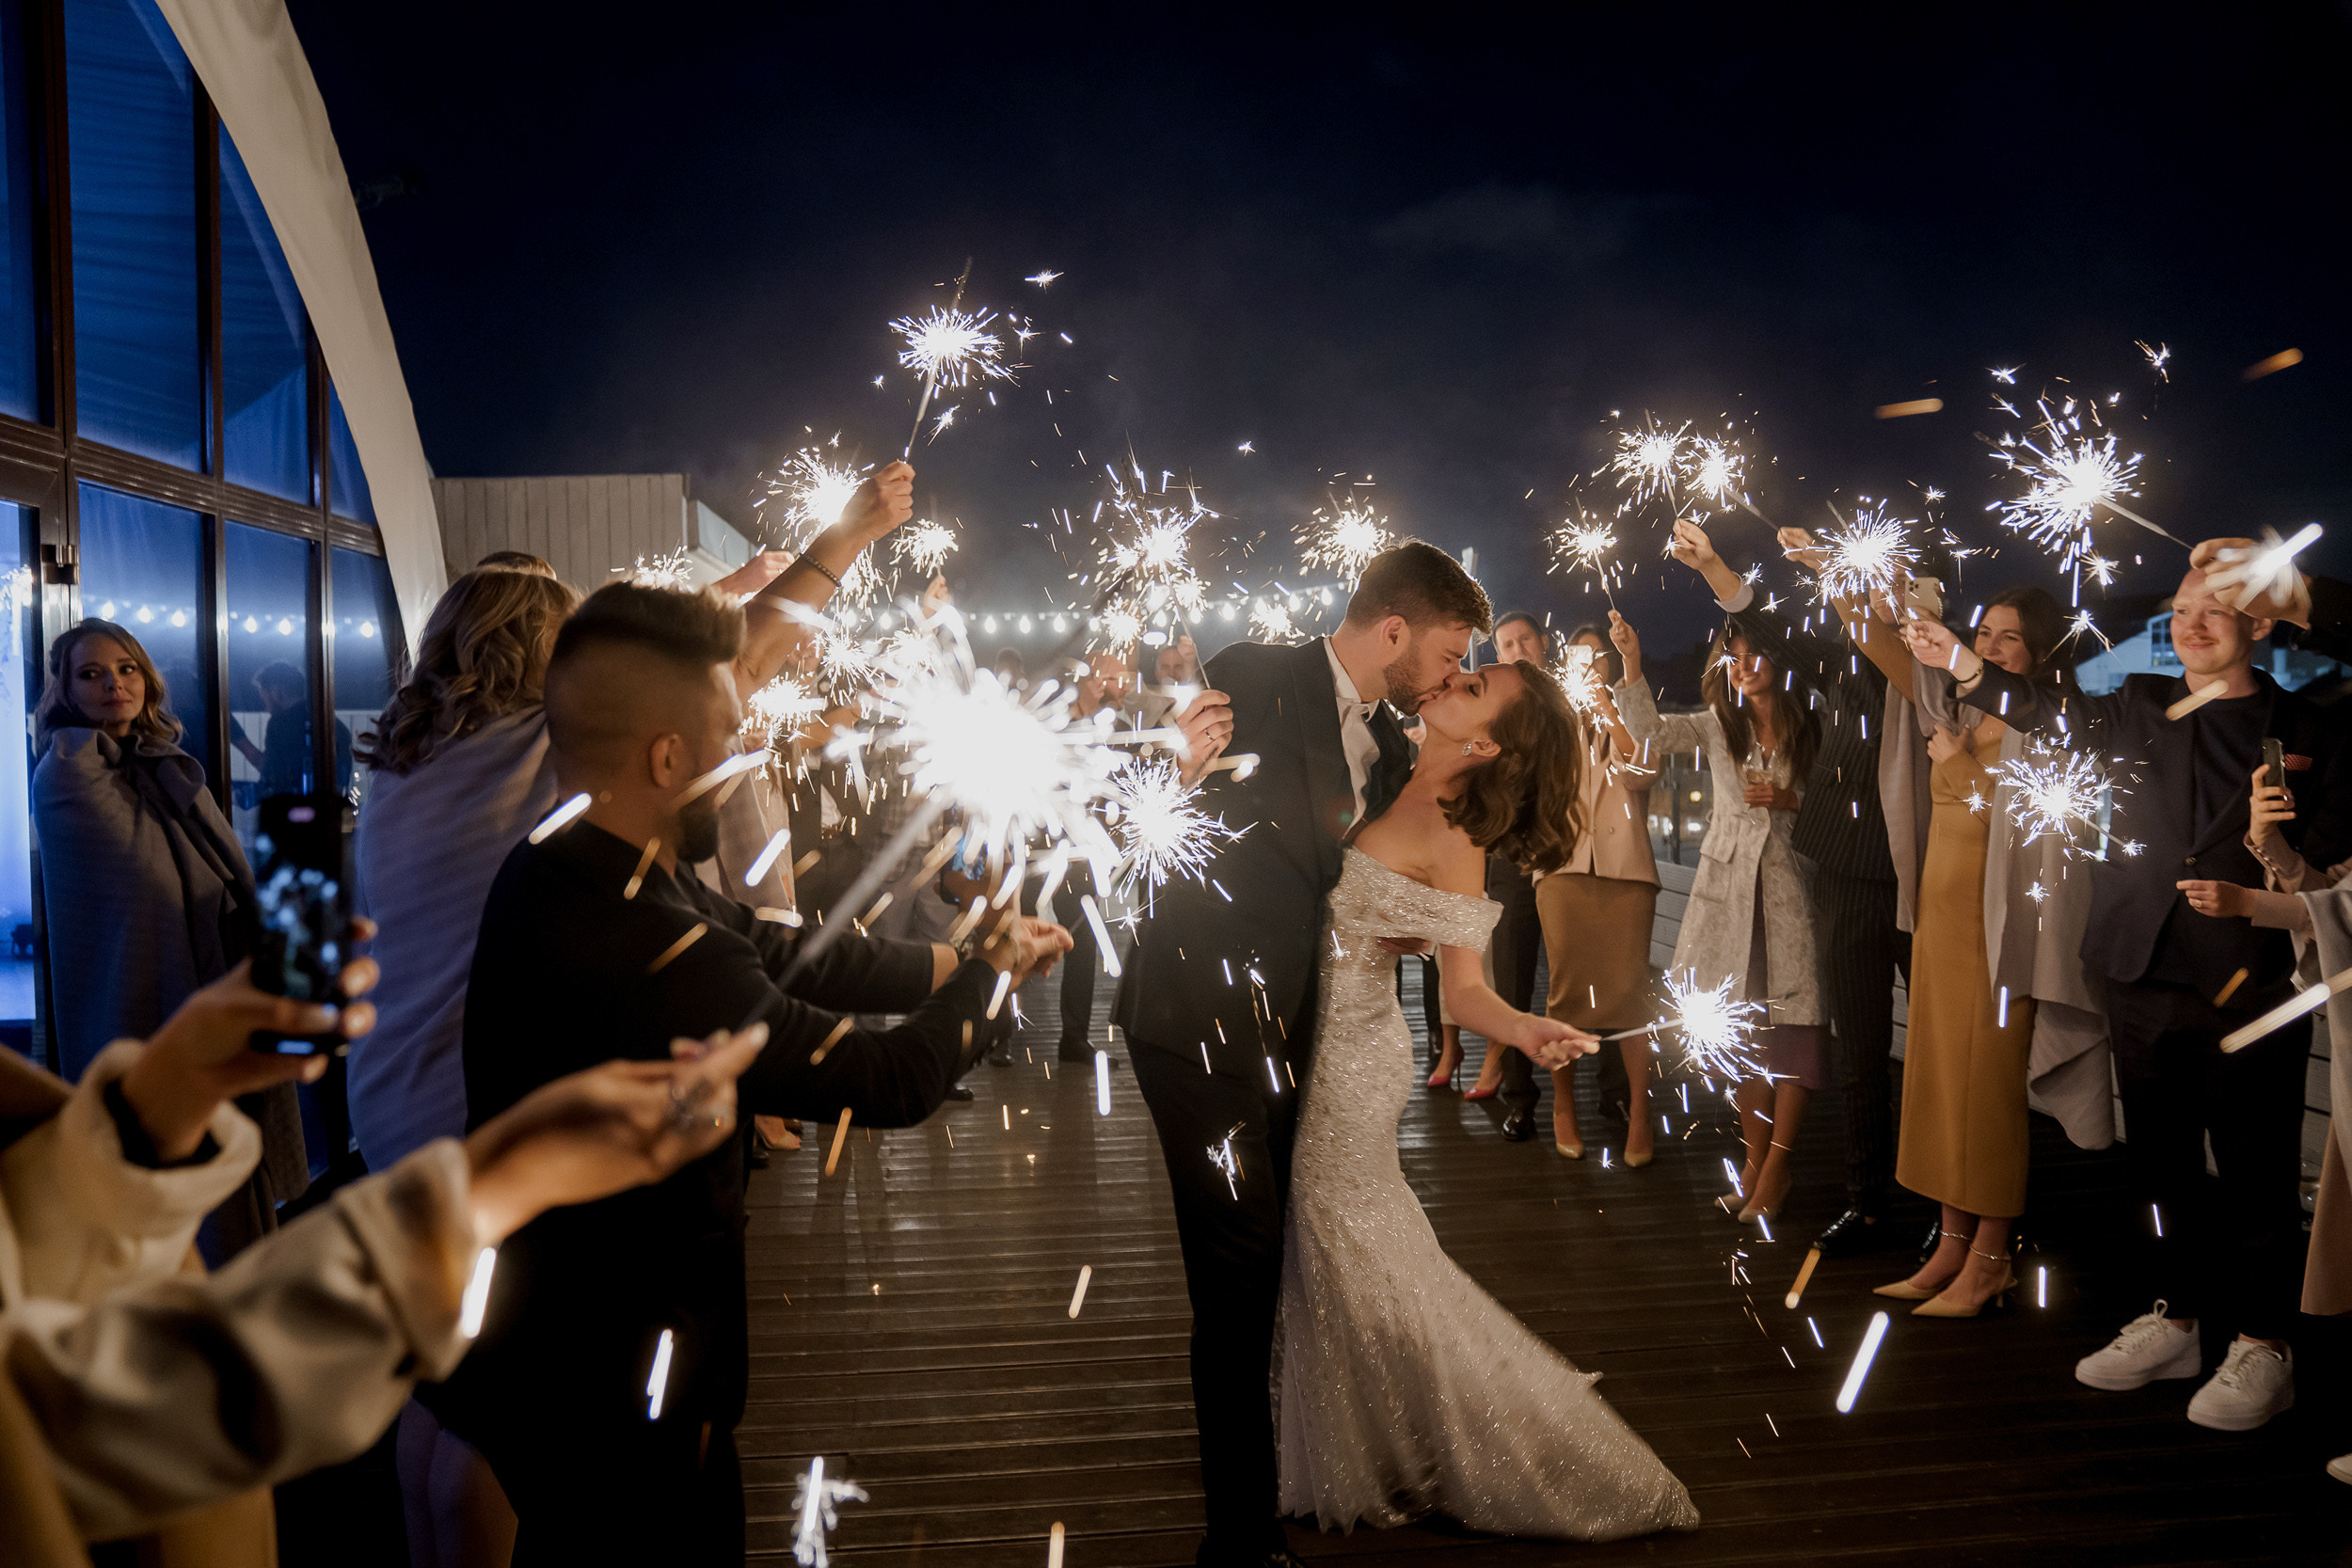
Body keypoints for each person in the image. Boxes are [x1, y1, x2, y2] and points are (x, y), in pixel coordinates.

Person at [441, 582, 1070, 1563]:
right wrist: (998, 975)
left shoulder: (558, 865)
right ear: (667, 756)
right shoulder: (645, 942)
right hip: (625, 1394)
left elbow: (776, 950)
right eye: (732, 734)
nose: (748, 757)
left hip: (549, 1357)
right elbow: (891, 1077)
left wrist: (955, 952)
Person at [0, 955, 766, 1559]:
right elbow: (101, 1416)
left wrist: (161, 1096)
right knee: (476, 1410)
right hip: (445, 1124)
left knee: (446, 1406)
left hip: (398, 1101)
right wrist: (493, 1181)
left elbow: (43, 1290)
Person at [1903, 563, 2352, 1431]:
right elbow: (2038, 704)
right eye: (2181, 609)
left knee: (2256, 1174)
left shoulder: (2312, 729)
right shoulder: (2135, 704)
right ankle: (2175, 1318)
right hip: (2138, 965)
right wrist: (1964, 664)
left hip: (2254, 978)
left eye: (2217, 610)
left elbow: (2327, 860)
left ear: (2259, 626)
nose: (2194, 623)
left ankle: (2264, 1343)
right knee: (2160, 1165)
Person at [1113, 540, 1485, 1568]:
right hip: (1194, 1024)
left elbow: (1352, 883)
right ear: (1394, 630)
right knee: (1235, 1274)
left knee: (1265, 1265)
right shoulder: (1254, 672)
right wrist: (1170, 765)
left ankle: (1265, 1480)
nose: (1451, 673)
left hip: (1297, 1034)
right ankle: (1236, 1537)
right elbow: (1158, 820)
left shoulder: (1398, 749)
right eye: (1449, 651)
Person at [1277, 655, 1697, 1539]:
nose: (1453, 678)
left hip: (1350, 1066)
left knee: (1361, 1254)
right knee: (1320, 1254)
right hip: (1299, 1042)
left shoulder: (1457, 833)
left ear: (1485, 739)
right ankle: (1355, 1430)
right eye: (1468, 670)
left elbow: (1464, 991)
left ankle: (1499, 1433)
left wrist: (1525, 1027)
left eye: (1474, 689)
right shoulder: (1380, 762)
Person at [1829, 570, 2090, 1317]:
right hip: (1941, 924)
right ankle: (1948, 1242)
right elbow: (1880, 643)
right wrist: (1837, 573)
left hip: (1996, 933)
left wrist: (1956, 764)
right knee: (1941, 1080)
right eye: (1985, 632)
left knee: (1989, 1094)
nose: (1993, 645)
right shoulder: (1961, 703)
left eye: (2011, 636)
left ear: (2039, 651)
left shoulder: (2046, 718)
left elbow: (2029, 828)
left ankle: (1990, 1258)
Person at [1663, 521, 1917, 1254]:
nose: (1874, 596)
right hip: (1830, 877)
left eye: (1889, 586)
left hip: (1906, 880)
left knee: (1896, 1050)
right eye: (1866, 585)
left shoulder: (1928, 676)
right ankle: (1857, 1200)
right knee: (1850, 1052)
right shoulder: (1842, 670)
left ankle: (1935, 1207)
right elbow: (1765, 619)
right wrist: (1713, 564)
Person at [29, 619, 306, 1264]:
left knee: (231, 1162)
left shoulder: (165, 764)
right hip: (139, 992)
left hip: (208, 977)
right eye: (91, 674)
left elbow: (212, 868)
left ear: (146, 677)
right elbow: (142, 890)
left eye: (124, 668)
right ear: (65, 690)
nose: (112, 685)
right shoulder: (69, 774)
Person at [1611, 604, 1827, 1224]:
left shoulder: (1812, 727)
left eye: (1754, 654)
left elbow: (1839, 809)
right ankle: (1756, 1163)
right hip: (1726, 899)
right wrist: (1632, 662)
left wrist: (1791, 799)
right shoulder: (1713, 725)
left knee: (1793, 1034)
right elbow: (1649, 733)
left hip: (1788, 897)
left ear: (1778, 662)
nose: (1744, 666)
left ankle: (1778, 1165)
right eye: (1732, 657)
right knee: (1738, 1038)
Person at [1507, 621, 1664, 1160]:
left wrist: (1608, 706)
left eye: (1598, 658)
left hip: (1626, 870)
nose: (1588, 666)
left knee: (1631, 996)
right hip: (1562, 869)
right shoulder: (1549, 719)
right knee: (1567, 994)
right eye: (1581, 657)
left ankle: (1642, 1115)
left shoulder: (1624, 708)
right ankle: (1564, 1105)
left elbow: (1645, 769)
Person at [1444, 612, 1544, 1122]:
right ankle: (1519, 1097)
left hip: (1567, 860)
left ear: (1542, 642)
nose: (1517, 647)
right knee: (1510, 979)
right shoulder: (1489, 718)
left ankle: (1603, 1093)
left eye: (1524, 637)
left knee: (1578, 984)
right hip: (1509, 860)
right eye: (1506, 643)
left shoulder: (1569, 703)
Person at [231, 659, 354, 804]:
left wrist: (239, 797)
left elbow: (274, 780)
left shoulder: (280, 724)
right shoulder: (331, 724)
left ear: (276, 692)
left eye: (265, 700)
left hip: (295, 816)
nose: (266, 708)